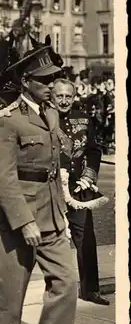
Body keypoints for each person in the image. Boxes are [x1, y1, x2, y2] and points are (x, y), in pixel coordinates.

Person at [0, 41, 78, 324]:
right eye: (44, 81)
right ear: (25, 81)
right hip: (20, 219)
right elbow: (3, 177)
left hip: (53, 215)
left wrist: (61, 212)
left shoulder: (52, 113)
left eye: (54, 79)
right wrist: (23, 220)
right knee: (11, 294)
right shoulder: (6, 121)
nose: (51, 85)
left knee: (67, 283)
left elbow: (53, 168)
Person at [52, 78, 110, 306]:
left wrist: (89, 175)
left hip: (79, 188)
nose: (64, 100)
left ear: (73, 97)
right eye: (60, 96)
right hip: (51, 187)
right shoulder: (43, 119)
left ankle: (90, 290)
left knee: (85, 238)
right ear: (52, 97)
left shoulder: (83, 119)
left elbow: (94, 151)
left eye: (68, 96)